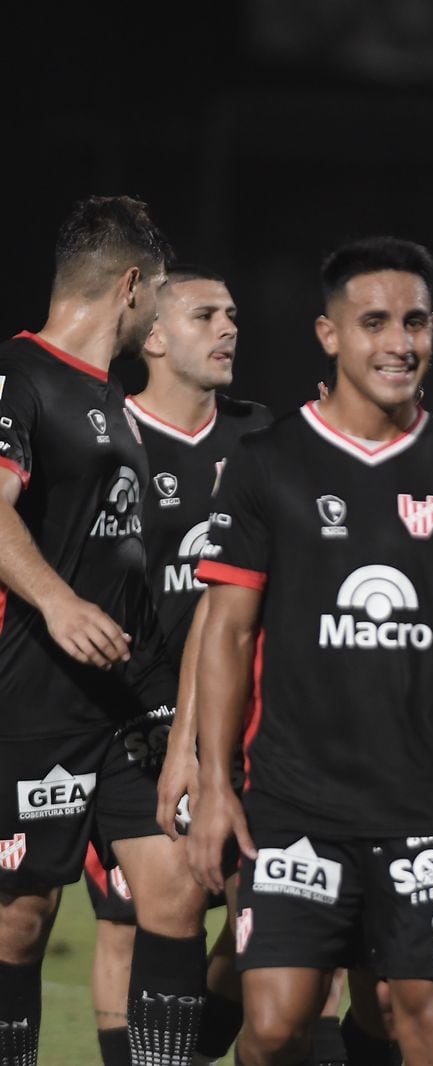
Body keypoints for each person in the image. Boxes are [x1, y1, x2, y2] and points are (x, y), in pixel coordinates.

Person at [184, 236, 433, 1065]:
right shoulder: (267, 465)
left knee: (423, 1020)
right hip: (293, 800)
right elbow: (227, 630)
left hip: (426, 802)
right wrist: (214, 783)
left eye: (417, 322)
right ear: (329, 335)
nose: (400, 342)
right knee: (279, 1025)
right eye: (375, 322)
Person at [0, 195, 217, 1066]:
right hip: (30, 702)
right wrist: (56, 601)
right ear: (130, 286)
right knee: (21, 921)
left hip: (122, 710)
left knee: (172, 894)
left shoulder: (112, 403)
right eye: (158, 295)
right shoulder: (19, 376)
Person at [71, 265, 272, 1065]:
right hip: (127, 720)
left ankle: (184, 1045)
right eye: (204, 315)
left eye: (232, 313)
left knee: (275, 918)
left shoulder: (263, 438)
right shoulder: (98, 437)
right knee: (148, 911)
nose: (228, 328)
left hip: (251, 711)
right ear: (152, 337)